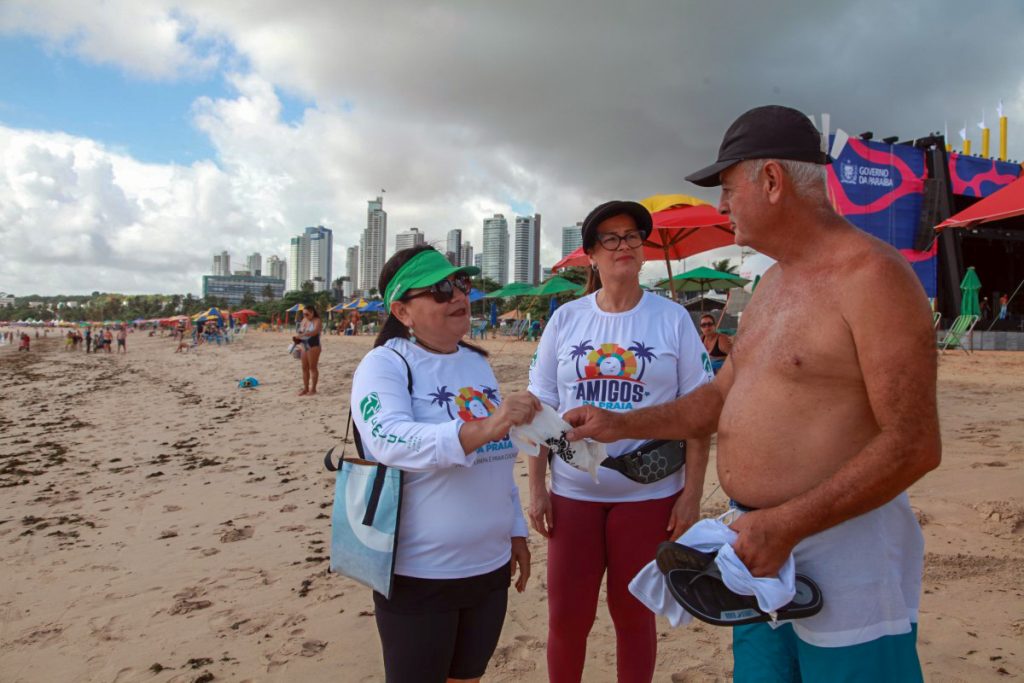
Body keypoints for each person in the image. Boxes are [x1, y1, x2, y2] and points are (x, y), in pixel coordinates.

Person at [564, 105, 941, 682]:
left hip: (843, 544)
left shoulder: (873, 277)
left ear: (771, 181)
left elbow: (915, 443)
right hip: (756, 546)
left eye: (728, 188)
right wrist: (621, 424)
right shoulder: (772, 283)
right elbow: (718, 397)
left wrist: (789, 522)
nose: (721, 206)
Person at [527, 201, 713, 683]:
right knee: (568, 619)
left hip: (649, 495)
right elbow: (538, 409)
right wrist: (537, 488)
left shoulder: (673, 320)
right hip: (572, 495)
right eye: (609, 238)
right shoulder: (565, 321)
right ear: (591, 254)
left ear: (644, 251)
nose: (622, 245)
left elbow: (699, 415)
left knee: (634, 619)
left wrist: (692, 495)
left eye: (632, 236)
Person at [350, 245, 539, 683]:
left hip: (489, 568)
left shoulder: (475, 363)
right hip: (421, 572)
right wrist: (484, 428)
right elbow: (387, 439)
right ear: (402, 310)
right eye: (439, 290)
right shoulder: (384, 364)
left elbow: (497, 463)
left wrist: (514, 529)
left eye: (461, 284)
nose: (457, 296)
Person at [293, 305, 323, 396]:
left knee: (312, 368)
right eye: (303, 314)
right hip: (304, 345)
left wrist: (302, 335)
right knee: (304, 367)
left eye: (307, 314)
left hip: (313, 345)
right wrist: (298, 339)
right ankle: (305, 388)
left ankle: (313, 389)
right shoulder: (304, 320)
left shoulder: (317, 321)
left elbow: (314, 332)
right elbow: (300, 331)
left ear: (312, 313)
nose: (305, 316)